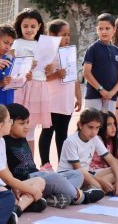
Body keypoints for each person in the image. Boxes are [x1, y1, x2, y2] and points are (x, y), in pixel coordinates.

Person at [4, 103, 104, 209]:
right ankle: (83, 197)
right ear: (9, 123)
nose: (26, 127)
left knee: (77, 174)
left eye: (28, 122)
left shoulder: (22, 137)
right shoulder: (3, 141)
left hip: (36, 175)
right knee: (55, 177)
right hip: (26, 181)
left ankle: (55, 198)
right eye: (22, 123)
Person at [0, 104, 47, 219]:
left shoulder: (1, 141)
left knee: (40, 181)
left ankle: (17, 209)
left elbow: (7, 172)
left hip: (4, 187)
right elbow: (7, 179)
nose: (11, 123)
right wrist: (33, 192)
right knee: (6, 193)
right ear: (0, 126)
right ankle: (20, 206)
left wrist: (16, 188)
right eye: (9, 121)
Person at [39, 19, 83, 172]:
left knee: (62, 134)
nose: (67, 38)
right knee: (47, 132)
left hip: (66, 101)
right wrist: (56, 74)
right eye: (63, 35)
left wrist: (78, 96)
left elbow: (74, 77)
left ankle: (63, 164)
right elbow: (41, 76)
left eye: (68, 35)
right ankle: (45, 164)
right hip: (51, 101)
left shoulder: (69, 52)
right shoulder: (46, 53)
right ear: (52, 35)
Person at [57, 108, 118, 196]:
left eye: (97, 128)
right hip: (70, 176)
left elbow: (111, 160)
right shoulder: (71, 141)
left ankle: (99, 189)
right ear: (80, 125)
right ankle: (100, 189)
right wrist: (101, 182)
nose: (94, 132)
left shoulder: (95, 139)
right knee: (89, 178)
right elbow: (78, 169)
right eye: (90, 127)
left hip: (87, 175)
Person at [11, 8, 52, 154]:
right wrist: (25, 64)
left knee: (30, 129)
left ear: (39, 26)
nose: (29, 29)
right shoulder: (15, 43)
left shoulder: (43, 44)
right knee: (15, 126)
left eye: (33, 26)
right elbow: (10, 65)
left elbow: (48, 68)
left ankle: (30, 165)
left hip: (38, 88)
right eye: (25, 26)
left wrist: (49, 68)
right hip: (21, 88)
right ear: (19, 26)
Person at [83, 13, 118, 113]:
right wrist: (101, 90)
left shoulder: (117, 50)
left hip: (111, 97)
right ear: (96, 30)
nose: (104, 31)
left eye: (107, 28)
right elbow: (86, 73)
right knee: (93, 124)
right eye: (101, 28)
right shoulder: (92, 49)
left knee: (107, 125)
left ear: (114, 29)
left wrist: (112, 93)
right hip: (93, 96)